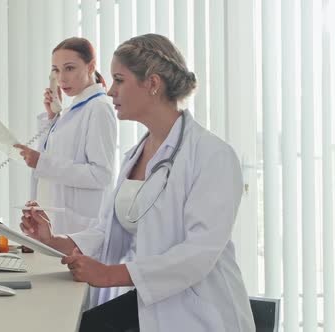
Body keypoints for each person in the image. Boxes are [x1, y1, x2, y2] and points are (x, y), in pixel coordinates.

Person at [20, 34, 255, 331]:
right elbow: (109, 232)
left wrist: (110, 275)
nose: (111, 90)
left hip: (200, 315)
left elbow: (199, 253)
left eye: (119, 79)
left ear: (152, 84)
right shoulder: (136, 154)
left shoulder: (212, 155)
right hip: (151, 308)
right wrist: (54, 240)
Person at [14, 37, 117, 234]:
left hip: (78, 229)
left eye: (69, 68)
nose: (61, 78)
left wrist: (41, 162)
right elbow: (58, 157)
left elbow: (101, 175)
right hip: (57, 225)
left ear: (90, 67)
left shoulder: (99, 108)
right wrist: (52, 117)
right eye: (56, 70)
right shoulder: (75, 109)